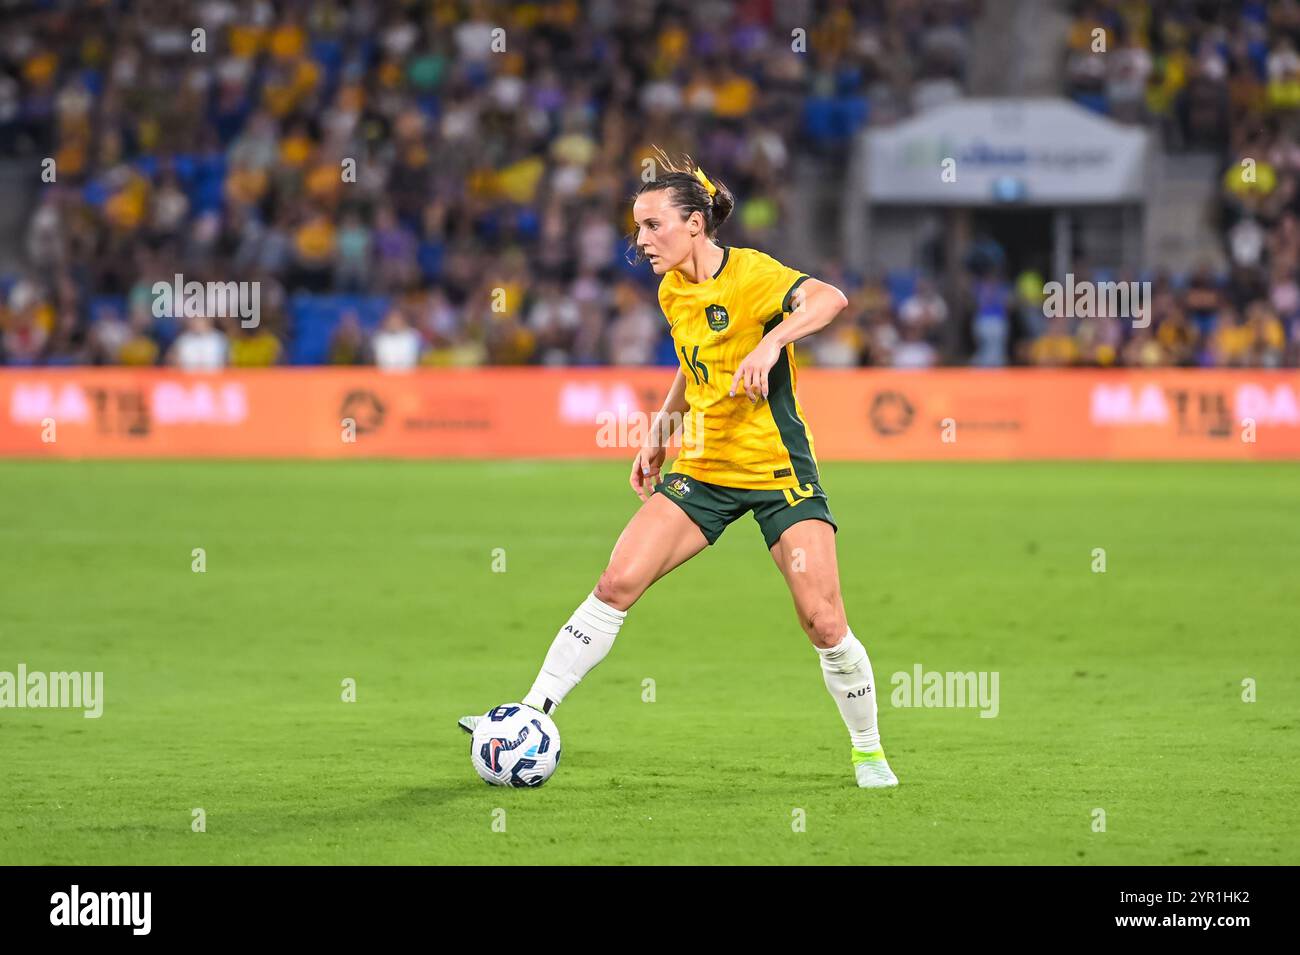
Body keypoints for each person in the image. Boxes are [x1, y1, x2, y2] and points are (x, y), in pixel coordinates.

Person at [459, 151, 898, 788]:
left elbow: (830, 298)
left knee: (824, 621)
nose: (640, 241)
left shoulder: (752, 274)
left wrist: (772, 340)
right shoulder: (672, 290)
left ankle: (868, 751)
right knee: (615, 583)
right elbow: (690, 366)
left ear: (694, 224)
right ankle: (529, 715)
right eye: (636, 229)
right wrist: (661, 433)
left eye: (651, 225)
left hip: (778, 472)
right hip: (703, 470)